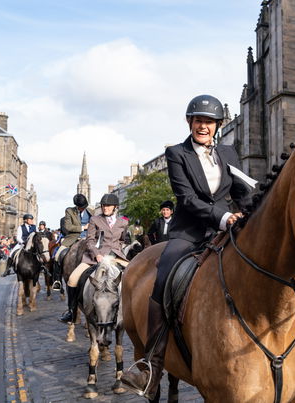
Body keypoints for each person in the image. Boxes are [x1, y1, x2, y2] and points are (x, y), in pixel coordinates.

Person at [122, 94, 252, 398]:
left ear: (218, 125)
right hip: (189, 231)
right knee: (164, 276)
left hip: (228, 227)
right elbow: (188, 199)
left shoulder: (229, 152)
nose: (203, 126)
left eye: (209, 121)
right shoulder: (177, 153)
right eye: (198, 120)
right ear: (189, 122)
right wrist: (224, 218)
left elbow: (242, 192)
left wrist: (252, 214)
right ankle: (152, 364)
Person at [58, 193, 129, 323]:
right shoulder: (95, 220)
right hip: (95, 257)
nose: (105, 207)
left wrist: (117, 251)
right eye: (103, 205)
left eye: (108, 205)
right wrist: (97, 254)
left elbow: (122, 240)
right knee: (72, 280)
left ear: (115, 207)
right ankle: (72, 312)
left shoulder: (123, 222)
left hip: (115, 257)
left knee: (136, 275)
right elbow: (90, 240)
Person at [51, 194, 94, 290]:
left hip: (89, 238)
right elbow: (68, 226)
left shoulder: (91, 211)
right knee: (58, 255)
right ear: (76, 206)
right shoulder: (69, 211)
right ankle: (57, 280)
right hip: (72, 239)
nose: (83, 209)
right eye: (81, 207)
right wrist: (83, 227)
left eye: (84, 207)